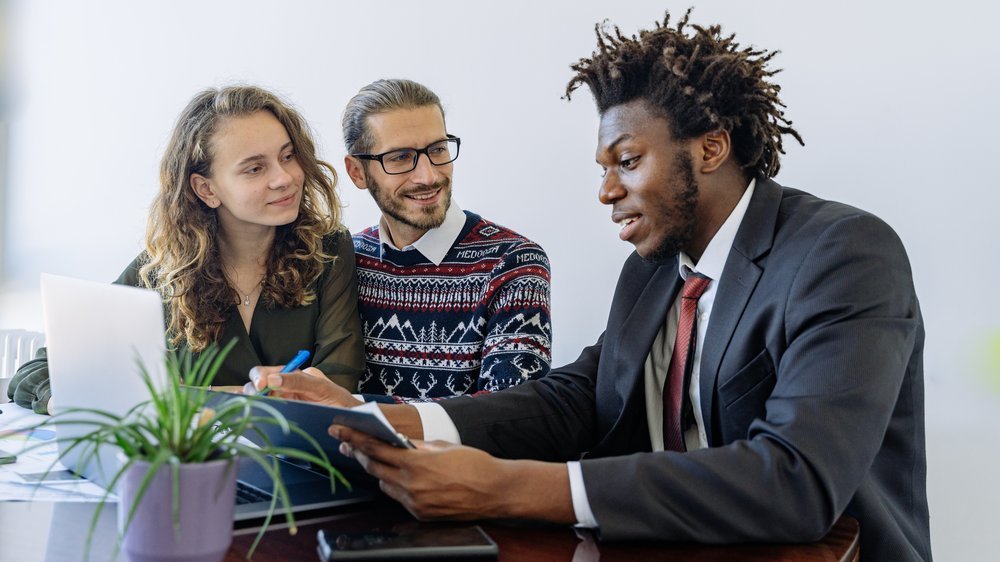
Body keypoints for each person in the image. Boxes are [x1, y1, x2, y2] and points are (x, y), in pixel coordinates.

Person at [257, 11, 930, 561]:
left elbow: (793, 482)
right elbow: (577, 398)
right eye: (604, 166)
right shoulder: (655, 269)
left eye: (627, 162)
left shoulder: (843, 253)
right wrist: (382, 421)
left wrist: (510, 487)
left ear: (712, 147)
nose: (606, 191)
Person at [8, 85, 365, 413]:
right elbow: (40, 371)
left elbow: (337, 383)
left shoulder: (329, 250)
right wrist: (68, 405)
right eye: (255, 168)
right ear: (206, 189)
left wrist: (186, 399)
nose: (284, 177)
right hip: (191, 467)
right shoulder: (163, 269)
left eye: (288, 157)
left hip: (298, 467)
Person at [260, 79, 552, 403]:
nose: (428, 175)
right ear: (357, 172)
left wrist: (357, 408)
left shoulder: (513, 263)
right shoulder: (342, 261)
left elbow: (511, 418)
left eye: (438, 149)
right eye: (400, 157)